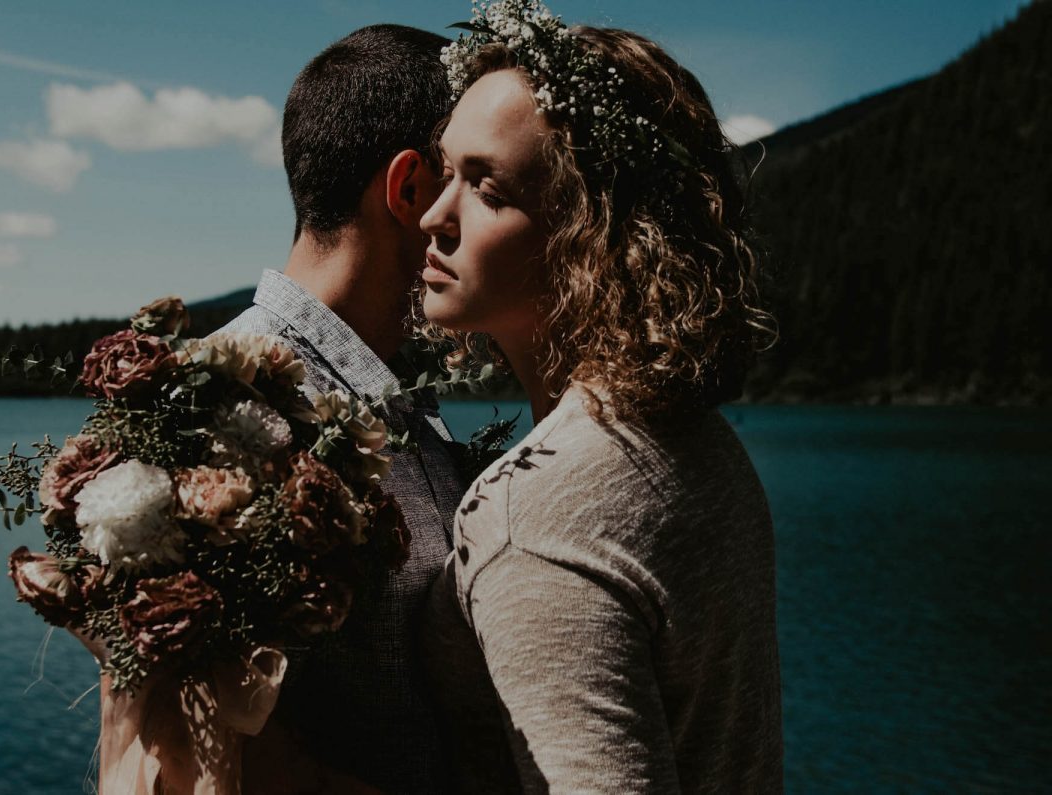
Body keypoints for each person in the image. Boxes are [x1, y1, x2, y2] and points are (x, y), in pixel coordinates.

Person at [417, 1, 783, 791]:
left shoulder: (535, 515)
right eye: (445, 173)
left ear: (593, 228)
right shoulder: (695, 439)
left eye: (487, 187)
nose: (434, 217)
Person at [212, 23, 466, 794]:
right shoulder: (226, 404)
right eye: (471, 180)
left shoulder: (397, 388)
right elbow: (218, 748)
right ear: (410, 189)